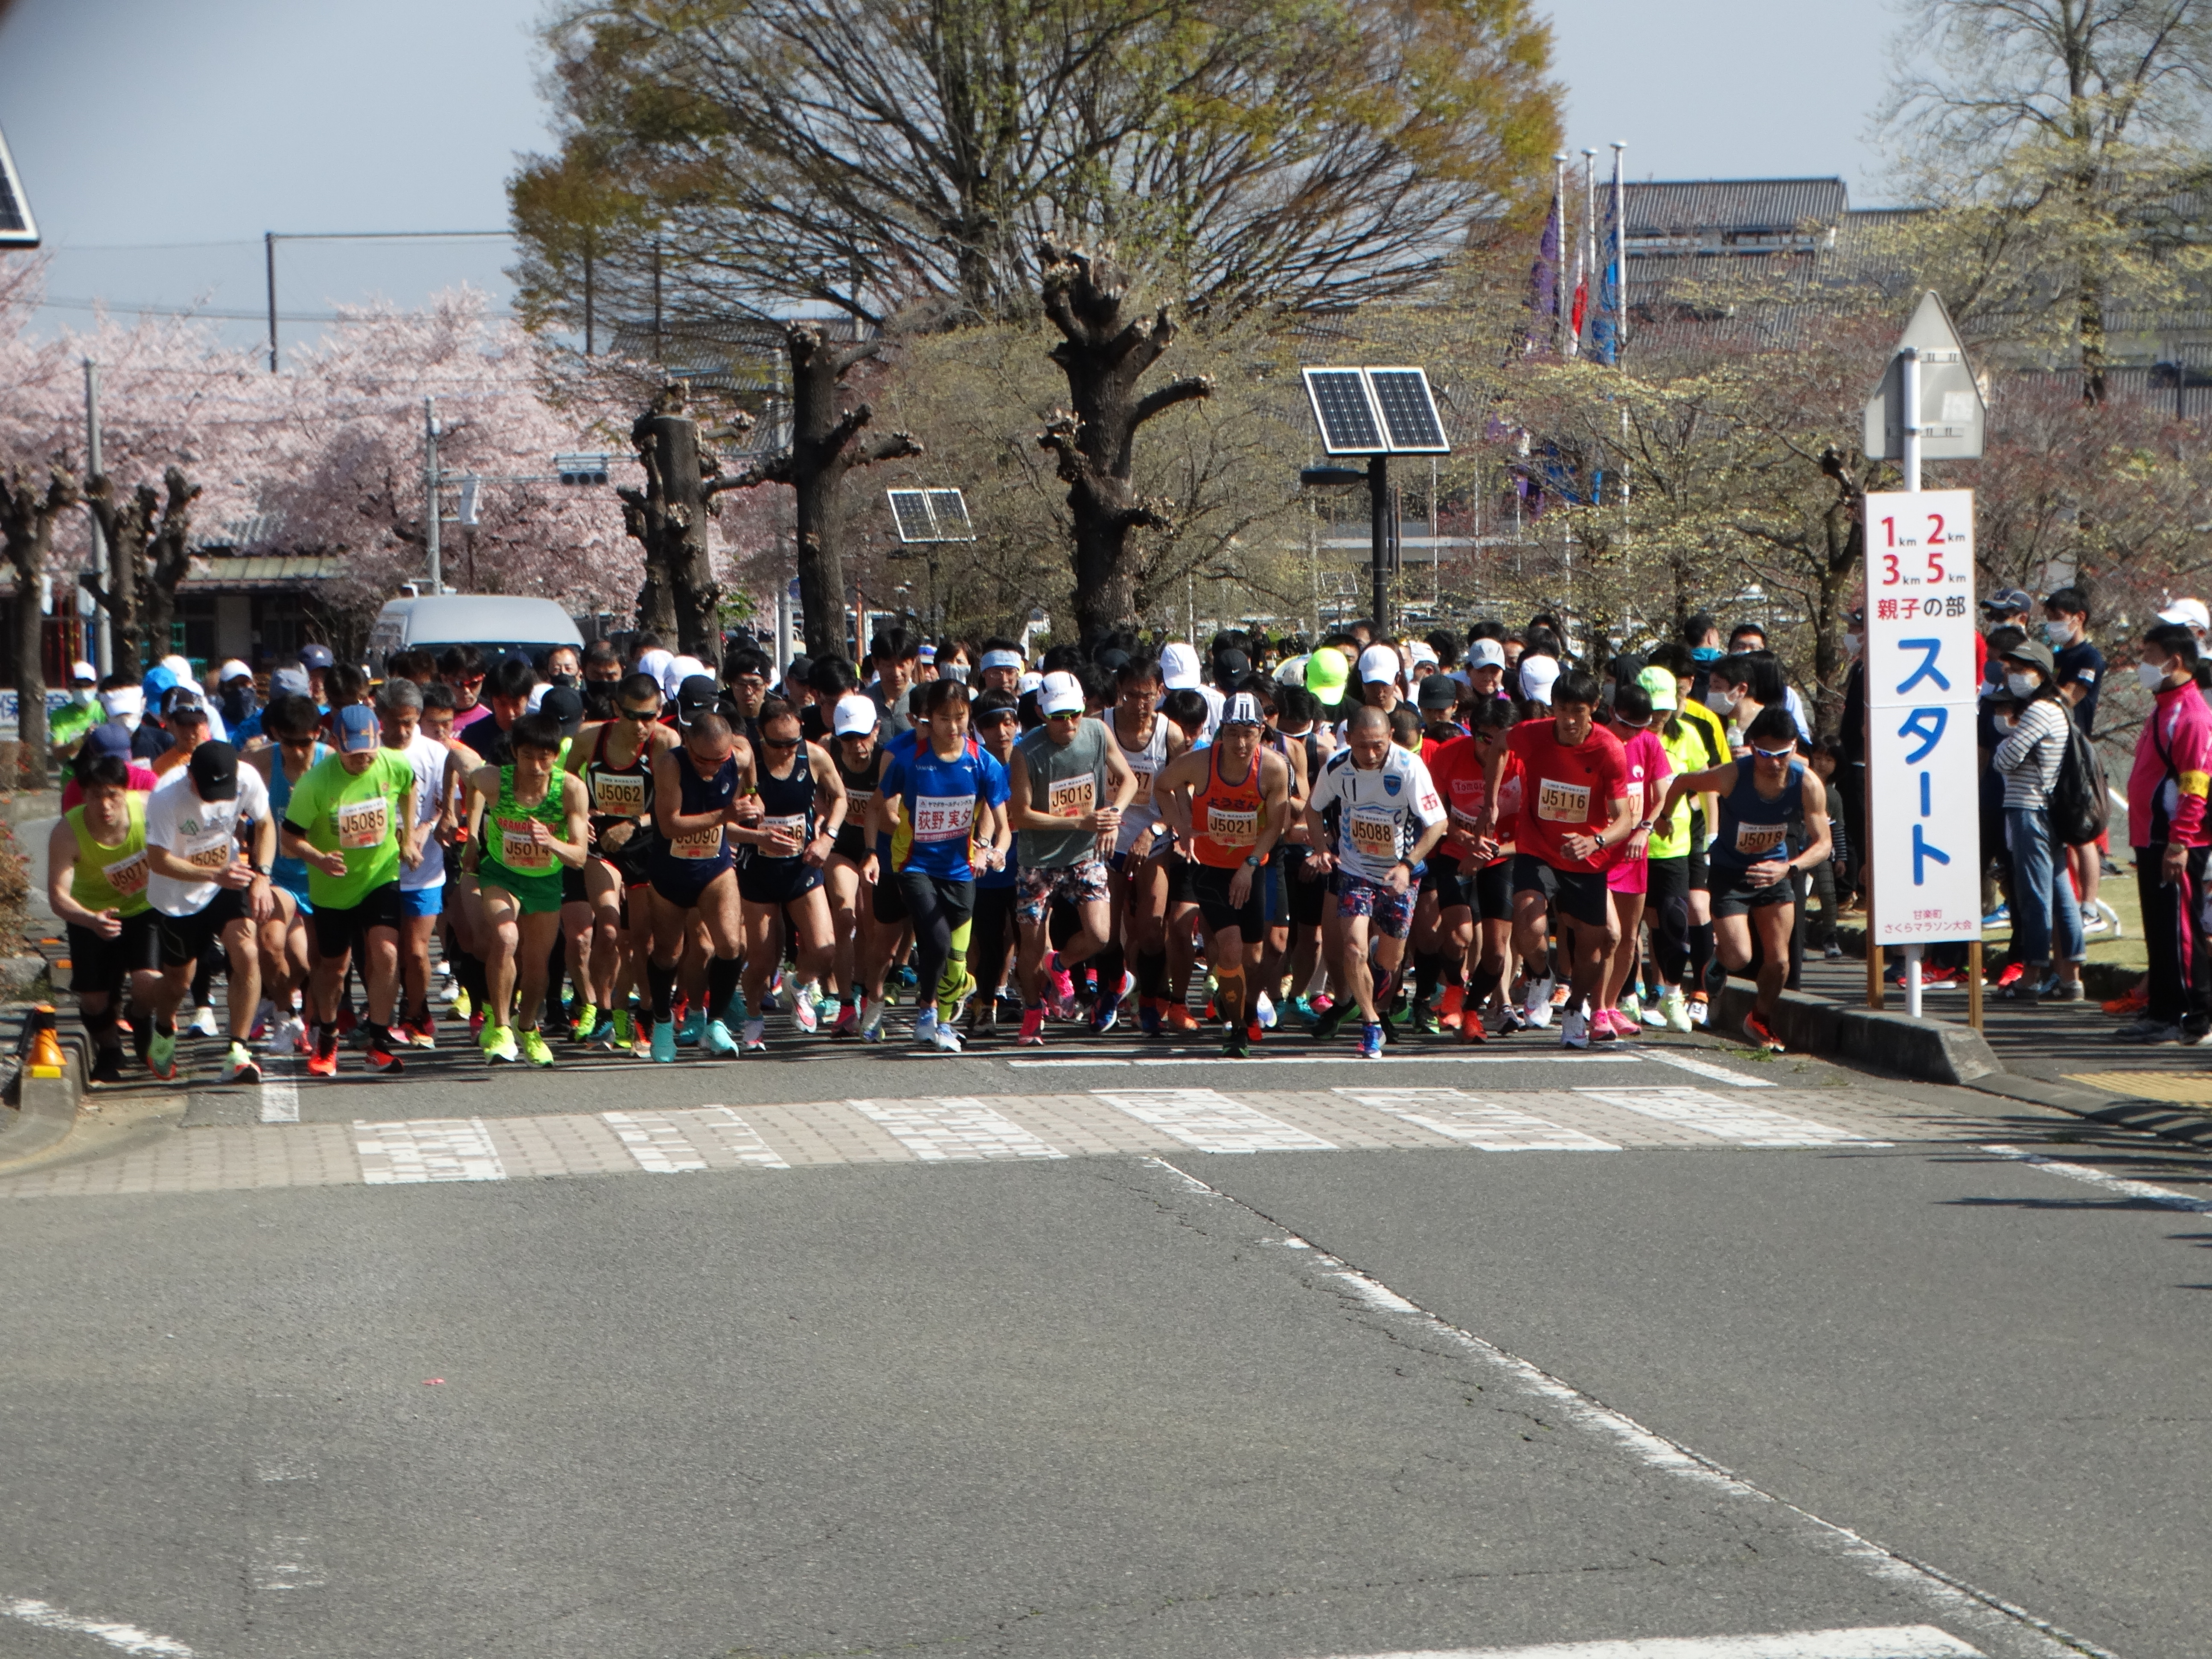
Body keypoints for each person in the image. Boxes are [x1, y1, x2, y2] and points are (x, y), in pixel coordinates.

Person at [1652, 707, 1832, 1053]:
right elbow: (1683, 782)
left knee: (1779, 962)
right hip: (1731, 873)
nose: (1774, 763)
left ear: (1795, 748)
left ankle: (1760, 1018)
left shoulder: (1807, 783)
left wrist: (1790, 869)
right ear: (1752, 747)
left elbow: (1823, 843)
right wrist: (1665, 817)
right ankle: (1719, 961)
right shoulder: (1734, 775)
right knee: (1739, 957)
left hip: (1776, 872)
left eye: (1783, 754)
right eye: (1765, 754)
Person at [1477, 671, 1636, 1049]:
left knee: (1593, 946)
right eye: (1562, 710)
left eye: (1578, 712)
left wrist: (1595, 841)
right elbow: (1499, 744)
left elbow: (1625, 818)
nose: (1568, 720)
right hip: (1539, 846)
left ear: (1594, 710)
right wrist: (1491, 801)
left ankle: (1575, 1009)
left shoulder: (1609, 749)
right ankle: (1540, 974)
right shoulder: (1533, 733)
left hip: (1587, 858)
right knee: (1527, 916)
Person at [865, 677, 1010, 1052]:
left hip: (962, 868)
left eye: (960, 717)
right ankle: (930, 1014)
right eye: (944, 718)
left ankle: (941, 1018)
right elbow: (878, 804)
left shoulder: (983, 763)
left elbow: (1003, 825)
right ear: (928, 718)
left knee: (953, 958)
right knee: (937, 938)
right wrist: (876, 845)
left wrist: (989, 849)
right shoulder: (910, 760)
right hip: (914, 863)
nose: (953, 727)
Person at [280, 704, 420, 1078]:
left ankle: (378, 1043)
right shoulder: (315, 783)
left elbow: (411, 785)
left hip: (380, 874)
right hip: (333, 886)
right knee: (334, 968)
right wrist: (320, 859)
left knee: (387, 954)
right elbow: (289, 838)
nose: (362, 761)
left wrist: (407, 836)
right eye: (354, 755)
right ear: (336, 747)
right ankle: (327, 1038)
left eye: (368, 754)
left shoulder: (393, 763)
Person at [1304, 704, 1447, 1058]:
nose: (1370, 755)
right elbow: (1313, 807)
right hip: (1354, 870)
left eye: (1379, 746)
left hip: (1400, 875)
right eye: (1363, 746)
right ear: (1348, 739)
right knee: (1352, 947)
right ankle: (1370, 1024)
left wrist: (1407, 864)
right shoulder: (1337, 767)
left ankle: (1377, 983)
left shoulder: (1409, 768)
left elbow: (1438, 824)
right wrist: (1322, 848)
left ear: (1391, 739)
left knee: (1389, 962)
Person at [1155, 692, 1292, 1055]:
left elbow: (1275, 825)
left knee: (1256, 955)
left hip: (1251, 867)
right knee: (1229, 948)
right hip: (1210, 867)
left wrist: (1249, 866)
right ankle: (1236, 1029)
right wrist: (1181, 824)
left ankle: (1245, 1014)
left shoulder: (1274, 768)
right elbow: (1163, 785)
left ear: (1263, 731)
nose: (1241, 743)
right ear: (1221, 733)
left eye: (1250, 733)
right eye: (1233, 733)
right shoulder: (1200, 763)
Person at [1007, 671, 1136, 1045]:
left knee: (1100, 934)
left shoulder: (1097, 733)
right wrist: (1083, 821)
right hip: (1039, 859)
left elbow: (1126, 780)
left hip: (1085, 854)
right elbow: (1022, 814)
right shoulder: (1025, 752)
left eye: (1074, 714)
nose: (1068, 724)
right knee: (1031, 942)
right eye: (1058, 716)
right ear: (1040, 713)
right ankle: (1033, 1012)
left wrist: (1112, 817)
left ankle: (1060, 963)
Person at [142, 741, 275, 1085]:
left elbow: (265, 824)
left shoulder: (247, 777)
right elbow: (158, 860)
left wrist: (262, 875)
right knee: (178, 982)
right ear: (191, 777)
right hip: (176, 893)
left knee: (247, 951)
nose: (216, 798)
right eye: (208, 790)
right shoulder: (165, 796)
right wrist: (212, 873)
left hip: (225, 884)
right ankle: (163, 1024)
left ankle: (238, 1050)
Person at [465, 712, 591, 1065]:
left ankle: (528, 1027)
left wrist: (551, 842)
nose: (536, 766)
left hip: (545, 880)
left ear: (556, 755)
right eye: (527, 756)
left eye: (544, 757)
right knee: (506, 938)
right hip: (501, 874)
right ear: (515, 753)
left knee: (538, 965)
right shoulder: (495, 780)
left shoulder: (570, 790)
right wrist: (471, 835)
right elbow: (467, 778)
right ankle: (502, 1028)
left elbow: (579, 856)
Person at [566, 671, 675, 1055]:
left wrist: (633, 824)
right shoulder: (589, 739)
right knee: (610, 931)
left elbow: (672, 806)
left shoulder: (665, 743)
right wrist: (579, 816)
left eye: (652, 715)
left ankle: (643, 1013)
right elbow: (563, 783)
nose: (644, 725)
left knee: (642, 941)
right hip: (603, 849)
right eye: (634, 716)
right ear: (616, 710)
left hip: (647, 846)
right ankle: (603, 1010)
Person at [731, 697, 847, 1050]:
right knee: (763, 962)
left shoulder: (813, 756)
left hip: (802, 866)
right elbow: (724, 827)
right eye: (776, 744)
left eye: (791, 743)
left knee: (825, 949)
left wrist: (827, 839)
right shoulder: (745, 765)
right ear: (760, 736)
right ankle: (753, 1015)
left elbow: (840, 798)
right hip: (758, 871)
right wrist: (756, 834)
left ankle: (801, 985)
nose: (785, 751)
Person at [2118, 622, 2212, 1043]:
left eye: (2150, 655)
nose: (2143, 664)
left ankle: (2195, 1015)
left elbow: (2196, 782)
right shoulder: (2164, 707)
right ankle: (2162, 1010)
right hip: (2152, 836)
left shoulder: (2191, 714)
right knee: (2160, 927)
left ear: (2174, 661)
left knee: (2182, 930)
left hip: (2178, 840)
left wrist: (2180, 841)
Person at [47, 753, 161, 1085]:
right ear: (83, 796)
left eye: (113, 795)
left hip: (144, 908)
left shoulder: (151, 811)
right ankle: (110, 1050)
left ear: (126, 792)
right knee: (94, 998)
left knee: (149, 982)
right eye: (96, 796)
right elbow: (57, 896)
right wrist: (91, 919)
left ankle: (140, 1016)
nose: (106, 805)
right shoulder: (68, 832)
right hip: (90, 914)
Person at [1988, 636, 2085, 1001]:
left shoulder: (2040, 710)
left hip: (2030, 809)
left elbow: (2005, 760)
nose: (2013, 675)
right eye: (2011, 668)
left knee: (2034, 894)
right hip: (2048, 810)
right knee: (2061, 893)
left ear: (2041, 673)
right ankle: (2070, 977)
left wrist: (2005, 740)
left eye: (2021, 669)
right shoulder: (2058, 709)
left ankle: (2031, 975)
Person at [2042, 585, 2110, 935]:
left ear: (2078, 618)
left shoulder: (2090, 658)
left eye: (2057, 618)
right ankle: (2067, 904)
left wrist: (2041, 683)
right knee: (2060, 831)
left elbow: (2070, 696)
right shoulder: (2055, 656)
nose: (2052, 625)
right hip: (2050, 751)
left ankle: (2089, 908)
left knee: (2083, 833)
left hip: (2077, 753)